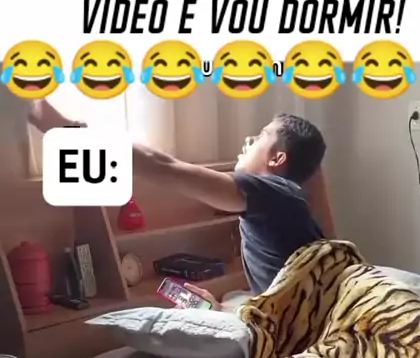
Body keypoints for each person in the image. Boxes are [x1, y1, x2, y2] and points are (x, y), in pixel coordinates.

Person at [29, 102, 334, 308]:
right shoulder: (294, 201)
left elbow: (162, 165)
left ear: (277, 158)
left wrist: (65, 128)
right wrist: (219, 310)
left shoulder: (271, 193)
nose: (247, 139)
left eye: (260, 137)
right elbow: (281, 304)